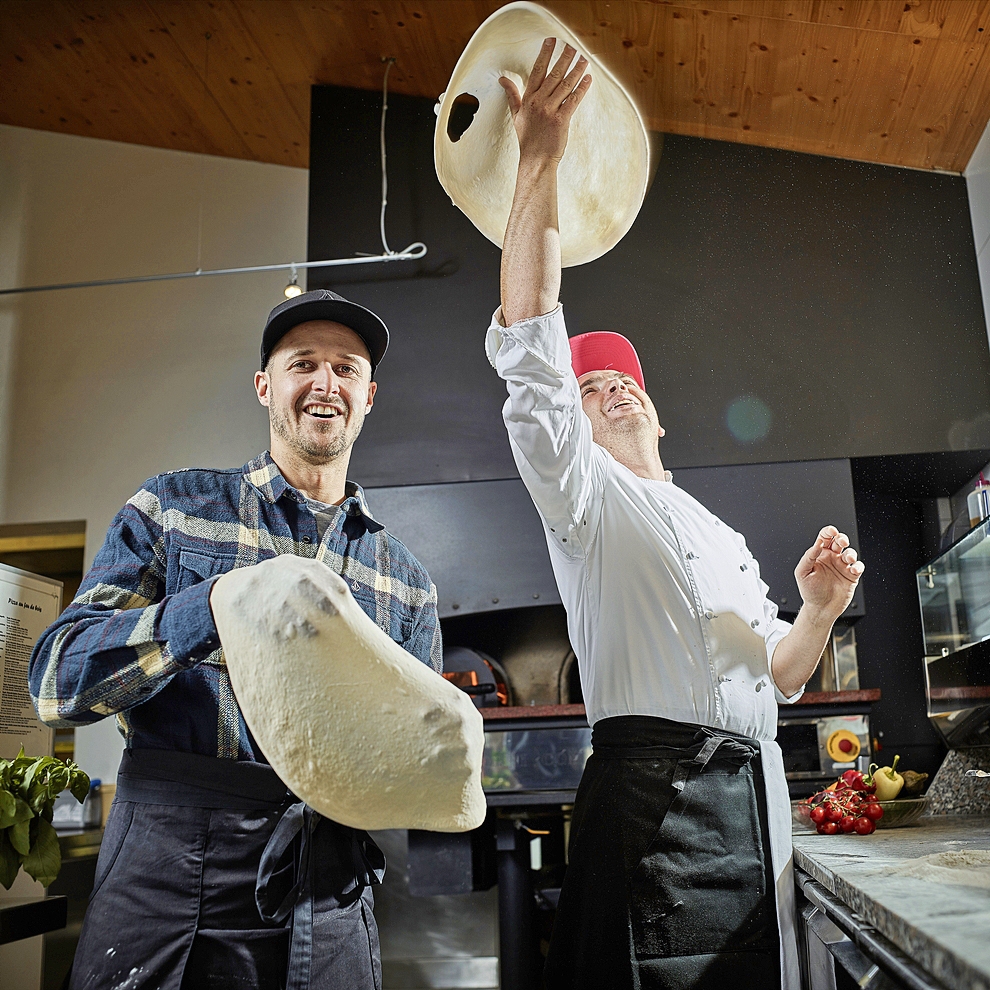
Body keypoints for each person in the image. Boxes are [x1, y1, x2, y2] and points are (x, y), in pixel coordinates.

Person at [486, 40, 866, 989]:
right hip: (648, 806)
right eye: (593, 386)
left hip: (754, 805)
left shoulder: (722, 535)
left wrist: (816, 608)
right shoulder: (583, 501)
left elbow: (775, 678)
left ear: (656, 407)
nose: (613, 390)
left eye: (627, 381)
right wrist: (539, 160)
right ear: (569, 424)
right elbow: (532, 352)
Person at [29, 289, 442, 990]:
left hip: (329, 882)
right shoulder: (175, 509)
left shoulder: (406, 582)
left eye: (345, 369)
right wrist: (212, 605)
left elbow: (416, 765)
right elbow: (55, 683)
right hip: (168, 868)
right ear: (265, 387)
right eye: (302, 364)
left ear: (368, 396)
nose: (325, 383)